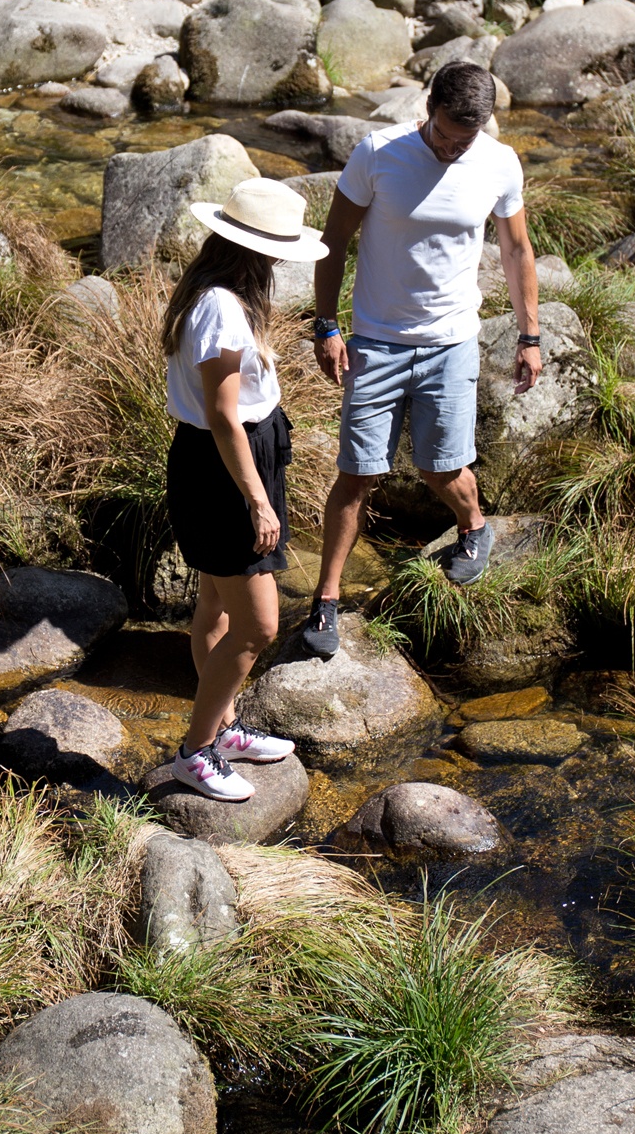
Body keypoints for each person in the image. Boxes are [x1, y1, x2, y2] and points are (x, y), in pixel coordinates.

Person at [302, 60, 544, 656]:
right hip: (377, 343)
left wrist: (530, 336)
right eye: (444, 135)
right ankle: (326, 599)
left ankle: (474, 528)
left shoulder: (497, 162)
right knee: (358, 475)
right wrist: (327, 324)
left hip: (451, 341)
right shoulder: (377, 154)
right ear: (427, 106)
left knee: (441, 468)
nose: (454, 150)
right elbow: (333, 244)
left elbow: (516, 251)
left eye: (467, 139)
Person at [161, 178, 330, 801]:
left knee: (216, 606)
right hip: (226, 467)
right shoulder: (224, 309)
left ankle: (224, 727)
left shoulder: (215, 295)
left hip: (222, 460)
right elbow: (225, 415)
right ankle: (195, 751)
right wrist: (259, 500)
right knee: (259, 626)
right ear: (260, 252)